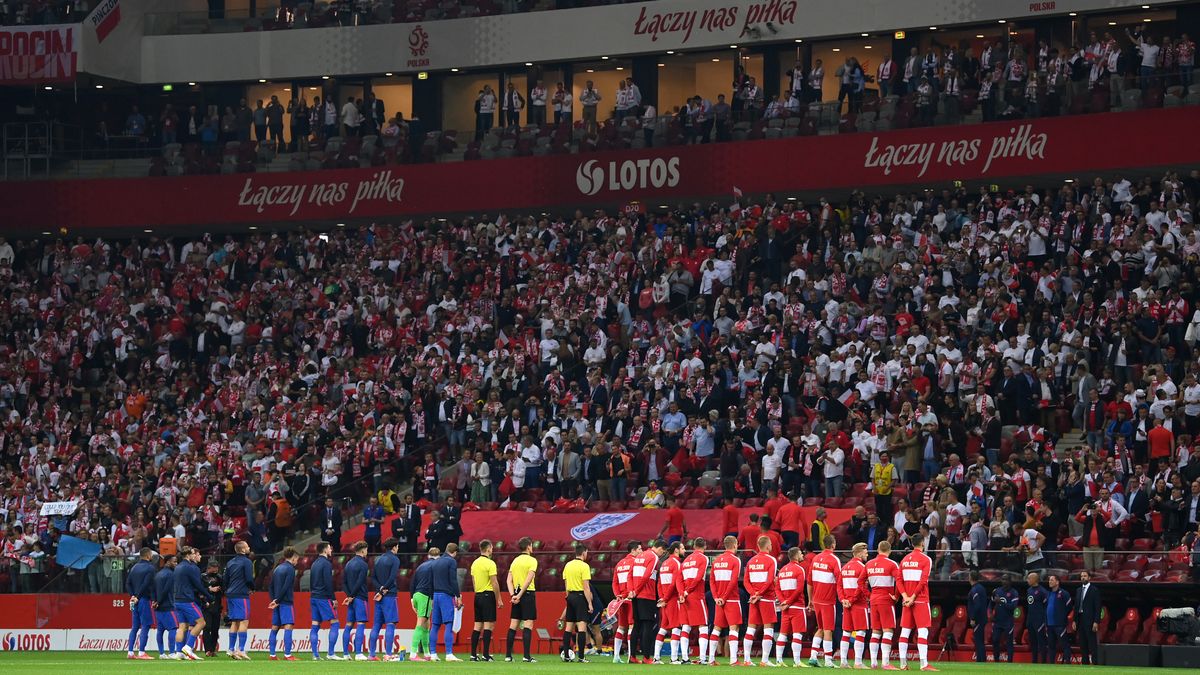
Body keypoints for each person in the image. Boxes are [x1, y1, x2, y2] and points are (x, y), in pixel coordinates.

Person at [897, 534, 935, 671]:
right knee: (923, 631)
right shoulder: (926, 559)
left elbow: (898, 580)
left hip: (906, 600)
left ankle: (902, 664)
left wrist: (905, 596)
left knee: (905, 632)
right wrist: (912, 597)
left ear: (912, 544)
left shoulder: (904, 560)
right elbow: (923, 581)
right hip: (920, 599)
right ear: (923, 543)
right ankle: (923, 664)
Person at [743, 535, 779, 666]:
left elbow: (745, 581)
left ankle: (747, 660)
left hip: (753, 599)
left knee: (751, 628)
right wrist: (759, 593)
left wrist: (753, 593)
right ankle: (764, 660)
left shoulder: (751, 561)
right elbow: (770, 580)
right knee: (768, 628)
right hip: (766, 598)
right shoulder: (771, 560)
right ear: (768, 546)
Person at [866, 540, 901, 668]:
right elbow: (899, 580)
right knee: (888, 630)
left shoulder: (869, 564)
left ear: (878, 550)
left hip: (873, 598)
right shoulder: (892, 564)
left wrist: (868, 595)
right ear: (889, 550)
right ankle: (885, 662)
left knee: (876, 631)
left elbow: (860, 582)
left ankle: (873, 662)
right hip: (886, 598)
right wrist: (896, 596)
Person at [709, 535, 743, 666]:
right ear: (735, 545)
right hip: (731, 599)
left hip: (718, 600)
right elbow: (733, 580)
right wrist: (723, 597)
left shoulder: (717, 561)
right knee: (734, 628)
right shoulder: (736, 560)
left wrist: (716, 597)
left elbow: (711, 581)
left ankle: (711, 659)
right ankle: (733, 660)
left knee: (716, 629)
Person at [808, 534, 841, 667]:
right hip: (828, 600)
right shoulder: (834, 559)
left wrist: (810, 599)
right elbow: (840, 580)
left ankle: (813, 657)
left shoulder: (815, 558)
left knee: (821, 628)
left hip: (816, 599)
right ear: (833, 545)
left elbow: (809, 581)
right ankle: (828, 660)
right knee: (828, 630)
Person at [173, 546, 211, 661]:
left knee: (182, 626)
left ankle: (179, 652)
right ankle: (188, 647)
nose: (195, 556)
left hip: (177, 600)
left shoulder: (177, 567)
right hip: (187, 600)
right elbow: (198, 585)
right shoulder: (190, 568)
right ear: (189, 555)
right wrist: (209, 596)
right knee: (201, 623)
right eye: (193, 554)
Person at [631, 539, 664, 664]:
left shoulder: (639, 556)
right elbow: (647, 575)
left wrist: (633, 591)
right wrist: (638, 590)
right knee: (647, 626)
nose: (661, 554)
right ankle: (646, 657)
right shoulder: (654, 557)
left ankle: (632, 656)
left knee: (636, 626)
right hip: (647, 596)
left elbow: (630, 574)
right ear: (659, 548)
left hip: (636, 596)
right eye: (662, 551)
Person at [505, 536, 538, 663]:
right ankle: (526, 656)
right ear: (529, 546)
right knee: (528, 624)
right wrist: (520, 595)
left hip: (516, 594)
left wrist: (513, 595)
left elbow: (508, 580)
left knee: (513, 625)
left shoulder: (515, 561)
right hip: (527, 594)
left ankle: (508, 656)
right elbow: (529, 579)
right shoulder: (532, 560)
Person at [679, 537, 710, 665]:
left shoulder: (685, 560)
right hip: (696, 595)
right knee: (703, 626)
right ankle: (702, 658)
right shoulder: (703, 558)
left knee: (686, 627)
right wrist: (688, 591)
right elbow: (698, 577)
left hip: (684, 597)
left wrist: (682, 593)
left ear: (694, 546)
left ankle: (685, 658)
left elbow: (678, 579)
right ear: (705, 546)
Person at [309, 542, 343, 660]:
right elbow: (328, 582)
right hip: (324, 597)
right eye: (329, 547)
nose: (331, 548)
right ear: (324, 550)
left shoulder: (314, 564)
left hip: (314, 597)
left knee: (315, 625)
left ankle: (315, 655)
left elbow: (311, 582)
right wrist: (333, 598)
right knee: (335, 623)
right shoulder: (327, 564)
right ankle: (331, 653)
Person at [562, 541, 594, 663]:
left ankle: (566, 655)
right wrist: (589, 603)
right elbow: (586, 586)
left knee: (568, 627)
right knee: (582, 628)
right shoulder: (584, 566)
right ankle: (581, 656)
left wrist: (568, 597)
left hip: (570, 596)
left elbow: (566, 584)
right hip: (580, 597)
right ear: (584, 552)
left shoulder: (568, 565)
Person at [838, 543, 870, 668]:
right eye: (865, 551)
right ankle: (857, 662)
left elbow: (839, 586)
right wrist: (851, 600)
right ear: (859, 552)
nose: (867, 553)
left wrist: (843, 600)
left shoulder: (845, 567)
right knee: (861, 633)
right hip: (858, 604)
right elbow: (861, 587)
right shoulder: (862, 567)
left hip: (846, 605)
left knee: (846, 633)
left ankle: (843, 662)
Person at [368, 538, 401, 661]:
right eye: (397, 547)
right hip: (389, 595)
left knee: (376, 625)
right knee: (390, 624)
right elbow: (392, 577)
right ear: (394, 547)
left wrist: (380, 589)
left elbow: (373, 578)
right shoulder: (395, 559)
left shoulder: (378, 559)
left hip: (379, 595)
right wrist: (384, 589)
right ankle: (388, 653)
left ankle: (371, 654)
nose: (398, 549)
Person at [470, 539, 503, 662]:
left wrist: (477, 592)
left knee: (477, 625)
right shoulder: (490, 563)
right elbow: (494, 582)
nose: (492, 550)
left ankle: (473, 655)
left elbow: (473, 581)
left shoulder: (474, 563)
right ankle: (485, 654)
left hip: (478, 595)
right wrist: (498, 598)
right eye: (492, 548)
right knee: (489, 625)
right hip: (488, 595)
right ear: (488, 549)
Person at [430, 543, 463, 661]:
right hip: (446, 596)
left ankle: (432, 654)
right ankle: (449, 653)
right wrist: (458, 596)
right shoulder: (451, 562)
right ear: (455, 552)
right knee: (449, 624)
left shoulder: (436, 561)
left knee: (435, 625)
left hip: (436, 594)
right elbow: (453, 580)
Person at [223, 540, 254, 660]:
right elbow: (249, 578)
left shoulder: (230, 562)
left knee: (235, 621)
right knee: (244, 621)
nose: (249, 547)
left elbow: (225, 579)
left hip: (230, 594)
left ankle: (231, 649)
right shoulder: (247, 562)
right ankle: (241, 649)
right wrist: (252, 588)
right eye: (247, 546)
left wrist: (227, 590)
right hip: (241, 594)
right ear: (242, 550)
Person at [653, 541, 683, 664]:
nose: (684, 550)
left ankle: (656, 657)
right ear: (676, 550)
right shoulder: (676, 563)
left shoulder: (664, 563)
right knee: (676, 628)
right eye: (682, 548)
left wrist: (661, 598)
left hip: (664, 601)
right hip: (672, 600)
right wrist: (665, 598)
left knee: (663, 628)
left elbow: (659, 583)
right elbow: (674, 583)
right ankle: (674, 658)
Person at [267, 547, 299, 661]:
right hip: (285, 602)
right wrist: (278, 600)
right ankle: (288, 654)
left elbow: (270, 586)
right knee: (288, 626)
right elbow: (286, 586)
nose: (297, 562)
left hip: (277, 602)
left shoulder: (277, 568)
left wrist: (274, 600)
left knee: (275, 627)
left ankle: (272, 655)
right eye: (297, 559)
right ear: (294, 558)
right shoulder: (290, 569)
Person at [341, 541, 371, 660]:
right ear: (363, 550)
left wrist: (349, 596)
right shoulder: (363, 564)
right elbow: (360, 582)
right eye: (367, 550)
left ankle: (345, 654)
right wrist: (352, 595)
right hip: (360, 597)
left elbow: (343, 582)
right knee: (361, 624)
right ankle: (358, 653)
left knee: (348, 624)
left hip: (351, 599)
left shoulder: (348, 564)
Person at [611, 541, 641, 663]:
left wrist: (618, 595)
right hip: (631, 598)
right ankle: (630, 656)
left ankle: (616, 657)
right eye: (639, 549)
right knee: (631, 627)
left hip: (621, 600)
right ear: (633, 550)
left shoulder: (619, 564)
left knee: (621, 627)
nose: (641, 551)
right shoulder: (635, 562)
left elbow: (614, 583)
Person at [125, 548, 157, 660]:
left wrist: (133, 596)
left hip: (134, 600)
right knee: (145, 625)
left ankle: (130, 652)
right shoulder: (150, 568)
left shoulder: (134, 567)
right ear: (148, 555)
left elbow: (128, 583)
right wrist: (138, 597)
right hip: (143, 599)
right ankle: (142, 652)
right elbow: (146, 584)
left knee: (134, 627)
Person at [153, 555, 179, 659]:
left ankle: (161, 653)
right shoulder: (171, 574)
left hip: (158, 607)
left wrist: (155, 601)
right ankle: (172, 652)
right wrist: (159, 601)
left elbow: (154, 589)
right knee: (173, 628)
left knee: (160, 630)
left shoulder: (158, 574)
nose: (176, 564)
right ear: (168, 562)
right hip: (168, 605)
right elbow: (167, 590)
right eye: (174, 562)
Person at [1075, 570, 1102, 665]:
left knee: (1092, 643)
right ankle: (1085, 662)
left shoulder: (1094, 590)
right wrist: (1075, 620)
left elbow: (1097, 607)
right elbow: (1076, 606)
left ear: (1089, 577)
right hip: (1080, 619)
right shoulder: (1078, 590)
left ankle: (1095, 662)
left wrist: (1096, 621)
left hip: (1090, 620)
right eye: (1081, 576)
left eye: (1085, 576)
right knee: (1082, 643)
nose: (1083, 578)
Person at [1046, 574, 1074, 664]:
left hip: (1060, 624)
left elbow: (1069, 607)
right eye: (1049, 580)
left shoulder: (1064, 593)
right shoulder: (1048, 594)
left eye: (1052, 580)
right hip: (1049, 625)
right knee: (1051, 645)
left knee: (1064, 644)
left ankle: (1067, 662)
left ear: (1057, 582)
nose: (1050, 582)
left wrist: (1062, 616)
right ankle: (1051, 663)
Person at [990, 577, 1019, 663]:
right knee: (995, 640)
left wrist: (1002, 602)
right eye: (1002, 579)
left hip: (1008, 622)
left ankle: (1010, 662)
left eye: (1006, 580)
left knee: (1009, 642)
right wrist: (990, 613)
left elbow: (1013, 606)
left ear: (1010, 581)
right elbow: (990, 604)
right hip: (997, 621)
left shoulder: (1014, 593)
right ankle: (996, 661)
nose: (1004, 581)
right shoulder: (996, 591)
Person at [200, 559, 224, 656]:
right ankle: (207, 650)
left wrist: (220, 589)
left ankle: (213, 649)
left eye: (217, 569)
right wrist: (210, 590)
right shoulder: (202, 577)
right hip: (206, 606)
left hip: (217, 606)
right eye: (213, 569)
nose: (215, 571)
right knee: (207, 627)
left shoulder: (219, 577)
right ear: (209, 568)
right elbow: (199, 589)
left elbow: (224, 589)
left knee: (215, 628)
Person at [1025, 572, 1049, 663]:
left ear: (1034, 579)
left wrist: (1044, 620)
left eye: (1028, 578)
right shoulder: (1029, 590)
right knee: (1033, 641)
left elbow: (1046, 606)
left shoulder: (1043, 591)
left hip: (1039, 620)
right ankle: (1034, 660)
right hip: (1031, 619)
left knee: (1041, 641)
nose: (1027, 580)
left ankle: (1043, 661)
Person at [966, 571, 989, 663]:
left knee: (979, 641)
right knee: (979, 640)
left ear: (970, 578)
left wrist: (973, 618)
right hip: (982, 618)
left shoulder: (975, 589)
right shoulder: (981, 588)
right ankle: (980, 659)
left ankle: (981, 660)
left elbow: (977, 605)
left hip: (979, 619)